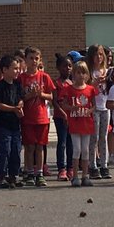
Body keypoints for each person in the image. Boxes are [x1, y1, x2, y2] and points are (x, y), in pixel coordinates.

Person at [19, 47, 55, 187]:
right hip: (28, 117)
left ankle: (39, 172)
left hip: (41, 117)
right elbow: (19, 96)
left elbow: (51, 96)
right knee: (29, 146)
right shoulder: (21, 78)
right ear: (26, 60)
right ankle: (28, 171)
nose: (34, 61)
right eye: (31, 58)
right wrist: (29, 95)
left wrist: (40, 95)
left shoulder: (44, 77)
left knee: (40, 146)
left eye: (36, 58)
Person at [59, 60, 97, 187]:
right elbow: (63, 103)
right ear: (73, 74)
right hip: (75, 123)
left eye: (83, 73)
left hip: (87, 123)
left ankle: (85, 176)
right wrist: (71, 108)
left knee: (85, 150)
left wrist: (89, 111)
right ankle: (75, 176)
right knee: (77, 149)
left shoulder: (90, 89)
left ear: (87, 75)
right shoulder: (68, 89)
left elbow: (94, 105)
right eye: (78, 73)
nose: (81, 75)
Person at [0, 55, 24, 188]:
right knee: (4, 149)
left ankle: (14, 175)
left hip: (15, 124)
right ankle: (1, 176)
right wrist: (13, 109)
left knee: (16, 150)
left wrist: (20, 106)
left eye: (18, 68)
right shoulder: (1, 86)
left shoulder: (17, 84)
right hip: (3, 124)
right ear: (5, 70)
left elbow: (21, 98)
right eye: (14, 68)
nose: (17, 71)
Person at [87, 45, 112, 179]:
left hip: (105, 106)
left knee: (104, 137)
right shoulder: (90, 71)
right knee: (94, 138)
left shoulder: (107, 71)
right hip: (94, 107)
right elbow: (85, 89)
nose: (99, 57)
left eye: (101, 54)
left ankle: (104, 165)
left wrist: (108, 80)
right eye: (96, 55)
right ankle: (92, 166)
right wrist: (94, 84)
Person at [53, 53, 74, 181]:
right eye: (65, 66)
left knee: (71, 143)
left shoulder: (73, 83)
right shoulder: (56, 83)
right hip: (60, 116)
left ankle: (71, 167)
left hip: (72, 117)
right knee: (62, 142)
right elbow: (54, 101)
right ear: (59, 68)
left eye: (70, 66)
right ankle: (61, 168)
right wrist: (63, 114)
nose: (68, 68)